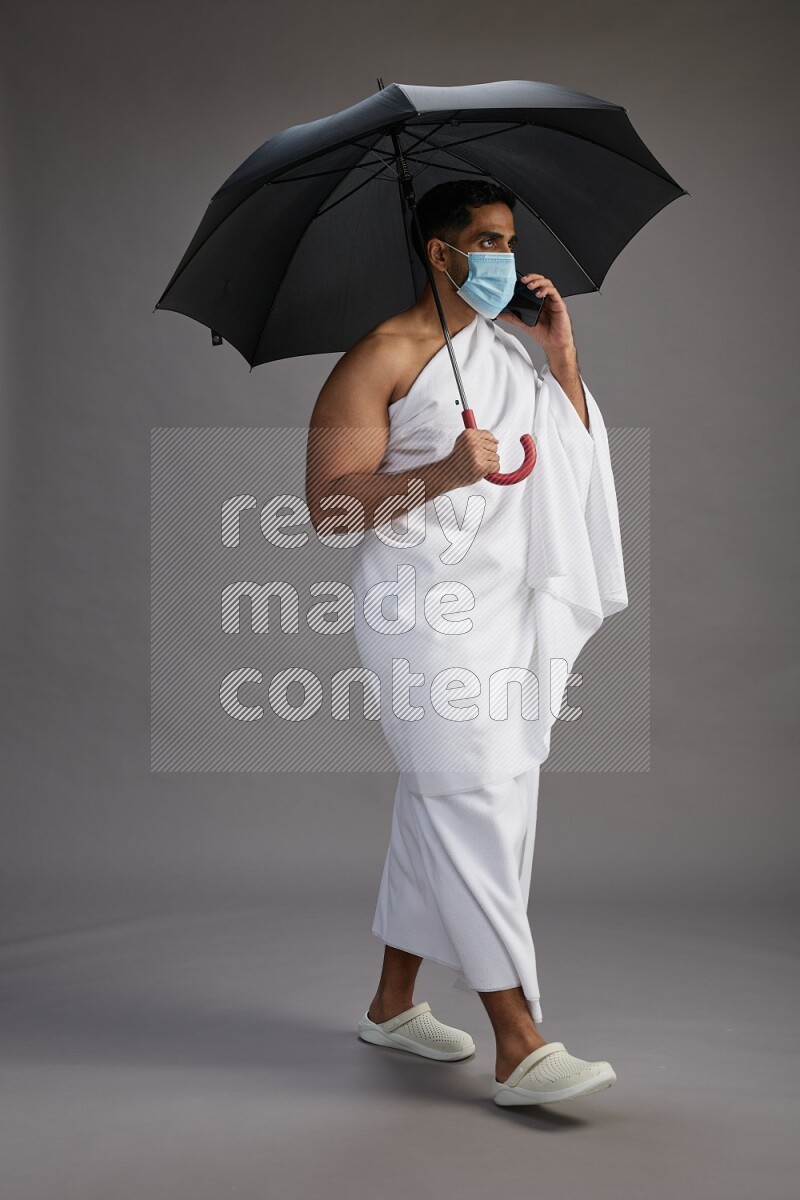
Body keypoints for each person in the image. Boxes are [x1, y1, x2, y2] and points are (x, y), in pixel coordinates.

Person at [305, 179, 628, 1107]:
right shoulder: (379, 358)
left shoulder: (502, 351)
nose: (502, 259)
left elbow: (559, 461)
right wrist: (446, 470)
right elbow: (327, 506)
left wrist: (561, 360)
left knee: (459, 798)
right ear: (440, 253)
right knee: (473, 803)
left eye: (507, 241)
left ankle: (393, 1004)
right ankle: (518, 1040)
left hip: (502, 607)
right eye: (484, 241)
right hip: (421, 620)